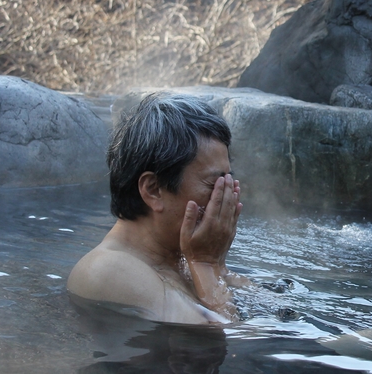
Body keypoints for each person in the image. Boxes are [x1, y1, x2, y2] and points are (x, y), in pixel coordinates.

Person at [68, 92, 249, 324]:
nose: (227, 197)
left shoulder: (181, 258)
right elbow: (231, 338)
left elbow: (268, 309)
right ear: (153, 189)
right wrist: (206, 264)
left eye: (228, 182)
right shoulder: (108, 270)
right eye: (215, 184)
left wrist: (217, 265)